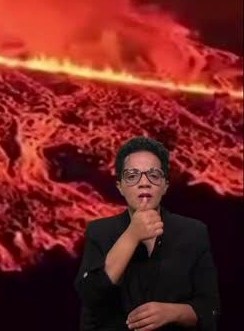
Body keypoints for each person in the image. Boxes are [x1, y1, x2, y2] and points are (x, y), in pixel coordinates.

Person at [75, 136, 220, 330]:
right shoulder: (99, 231)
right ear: (120, 187)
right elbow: (90, 295)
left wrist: (172, 312)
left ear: (165, 185)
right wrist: (132, 235)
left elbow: (211, 309)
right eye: (133, 175)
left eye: (153, 175)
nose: (144, 183)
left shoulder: (194, 232)